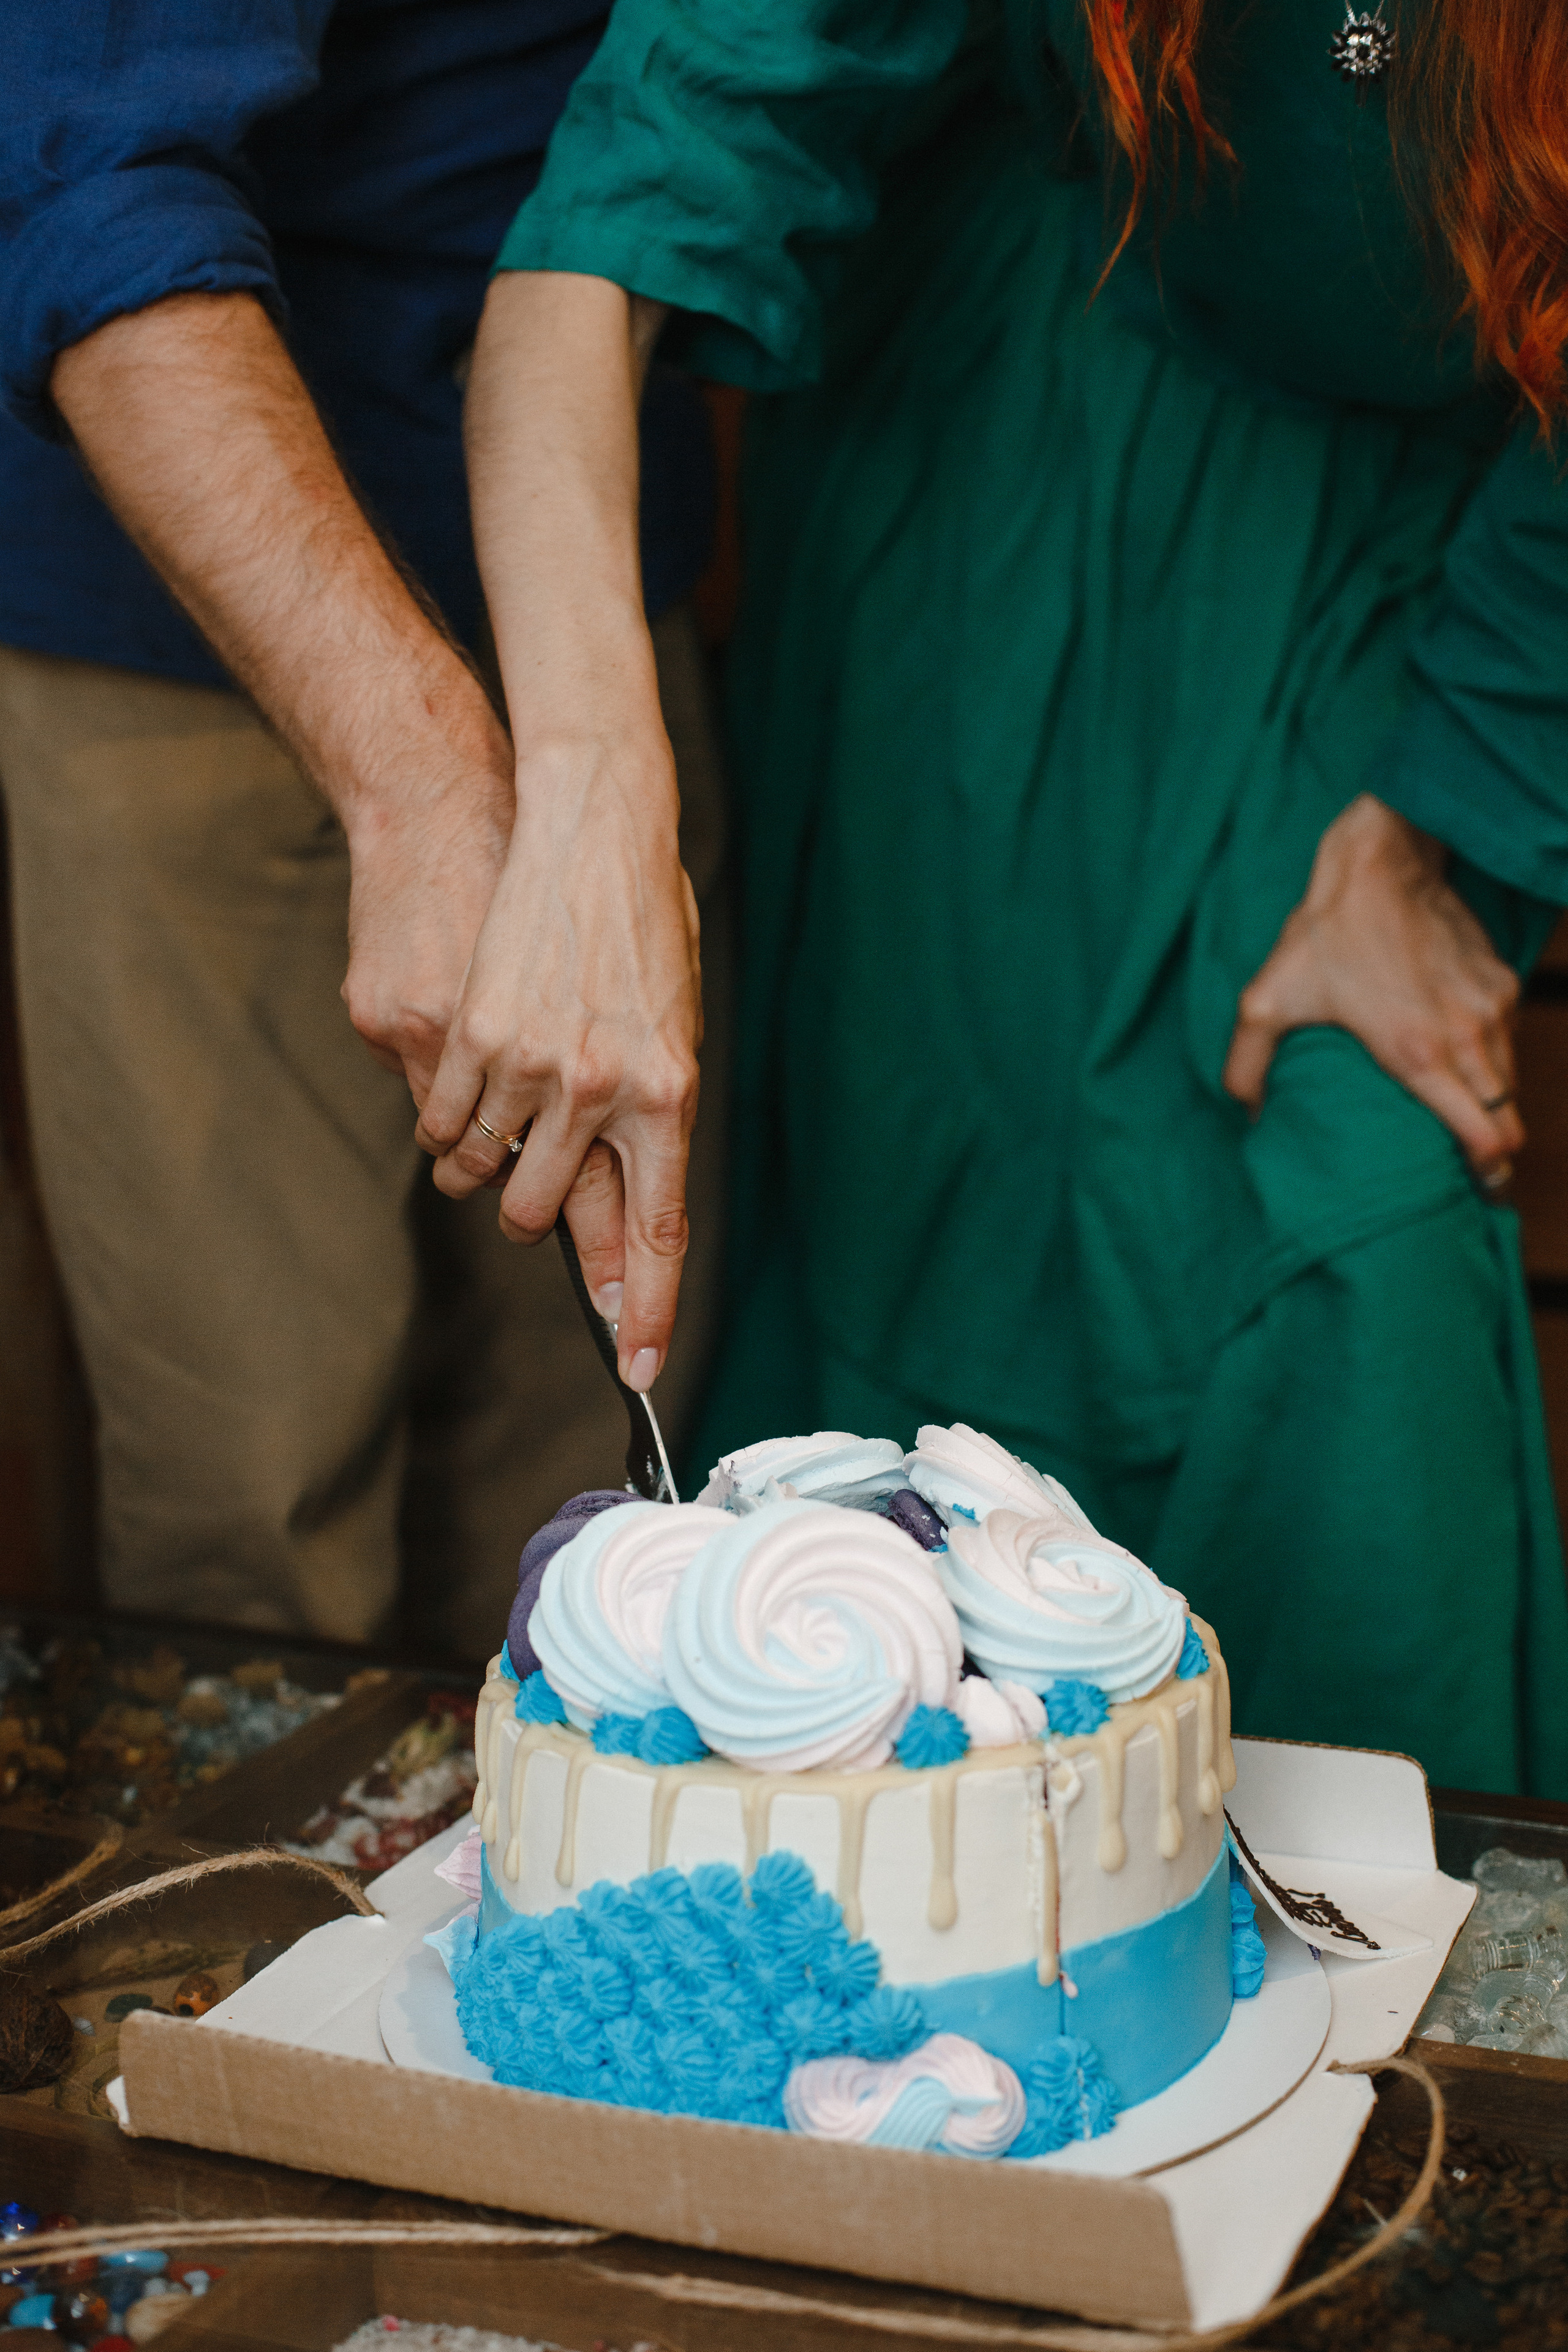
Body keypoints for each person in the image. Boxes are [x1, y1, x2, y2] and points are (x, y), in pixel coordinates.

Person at [454, 0, 1568, 1791]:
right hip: (997, 476)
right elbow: (611, 230)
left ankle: (1397, 1980)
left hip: (1438, 555)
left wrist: (1445, 818)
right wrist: (591, 792)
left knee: (1351, 1227)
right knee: (943, 1219)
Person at [0, 1, 723, 1654]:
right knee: (261, 1499)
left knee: (598, 1469)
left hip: (611, 583)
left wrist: (594, 764)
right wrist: (424, 779)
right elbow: (88, 171)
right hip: (190, 622)